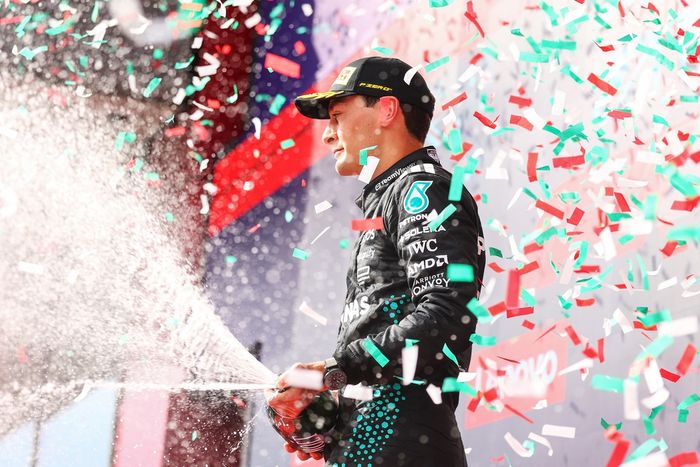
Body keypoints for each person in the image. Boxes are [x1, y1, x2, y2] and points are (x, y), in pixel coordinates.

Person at [266, 56, 486, 467]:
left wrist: (335, 370)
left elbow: (446, 316)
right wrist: (329, 415)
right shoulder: (391, 199)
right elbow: (387, 361)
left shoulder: (423, 190)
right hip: (380, 445)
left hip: (404, 446)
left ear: (387, 110)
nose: (328, 134)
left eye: (337, 116)